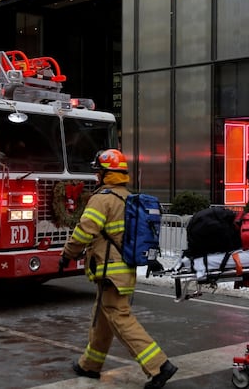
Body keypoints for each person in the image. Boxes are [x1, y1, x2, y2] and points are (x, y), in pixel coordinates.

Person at [59, 149, 178, 389]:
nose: (96, 177)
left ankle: (159, 366)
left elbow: (84, 231)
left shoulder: (102, 199)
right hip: (122, 269)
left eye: (98, 172)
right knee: (102, 318)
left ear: (106, 173)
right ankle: (89, 365)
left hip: (109, 270)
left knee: (121, 319)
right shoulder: (127, 197)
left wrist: (67, 255)